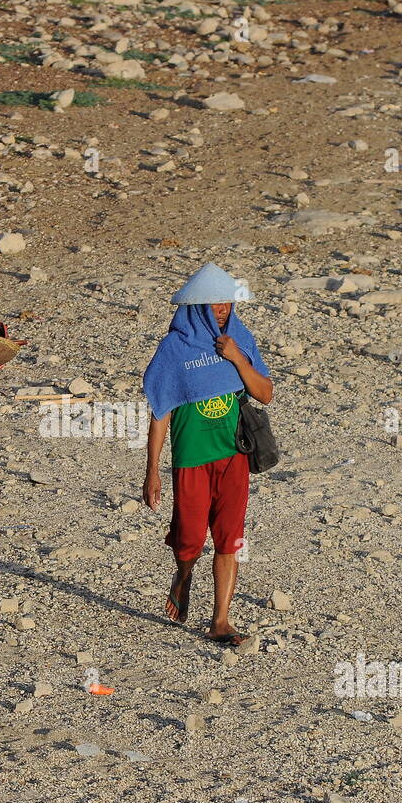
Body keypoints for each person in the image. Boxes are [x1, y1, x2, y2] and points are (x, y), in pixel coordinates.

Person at [142, 264, 273, 646]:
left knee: (228, 539)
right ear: (196, 306)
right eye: (213, 302)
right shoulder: (174, 348)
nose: (222, 309)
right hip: (191, 458)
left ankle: (221, 620)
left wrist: (237, 358)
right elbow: (160, 409)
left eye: (227, 303)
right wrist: (152, 470)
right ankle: (183, 577)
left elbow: (264, 393)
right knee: (189, 539)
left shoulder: (239, 339)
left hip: (233, 455)